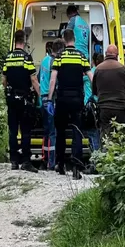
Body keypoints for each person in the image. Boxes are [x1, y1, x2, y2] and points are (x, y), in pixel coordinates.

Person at [47, 29, 94, 180]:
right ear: (74, 39)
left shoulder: (59, 57)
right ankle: (76, 167)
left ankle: (60, 164)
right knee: (77, 132)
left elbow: (53, 80)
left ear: (64, 39)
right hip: (77, 100)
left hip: (62, 99)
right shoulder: (81, 57)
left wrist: (49, 99)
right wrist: (95, 95)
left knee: (60, 131)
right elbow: (91, 77)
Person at [2, 30, 40, 172]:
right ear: (24, 41)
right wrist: (41, 95)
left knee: (13, 130)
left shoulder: (8, 58)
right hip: (25, 99)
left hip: (11, 99)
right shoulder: (26, 58)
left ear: (14, 41)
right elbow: (34, 79)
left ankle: (13, 161)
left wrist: (9, 91)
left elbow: (4, 80)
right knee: (25, 130)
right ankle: (25, 161)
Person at [93, 45, 125, 145]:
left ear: (106, 54)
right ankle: (119, 158)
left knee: (105, 136)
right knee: (120, 136)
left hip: (104, 108)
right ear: (117, 55)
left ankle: (106, 157)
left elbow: (94, 90)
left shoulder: (98, 69)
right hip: (121, 108)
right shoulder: (122, 68)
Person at [39, 39, 64, 170]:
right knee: (53, 132)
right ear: (60, 50)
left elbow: (39, 79)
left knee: (46, 131)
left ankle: (45, 159)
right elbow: (53, 83)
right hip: (50, 99)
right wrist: (51, 99)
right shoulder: (54, 63)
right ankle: (52, 162)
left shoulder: (44, 60)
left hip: (42, 99)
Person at [83, 53, 104, 155]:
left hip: (89, 105)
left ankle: (95, 157)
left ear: (94, 62)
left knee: (91, 132)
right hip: (100, 103)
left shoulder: (89, 74)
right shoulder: (104, 73)